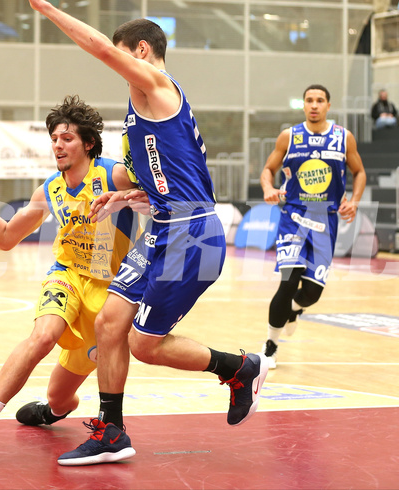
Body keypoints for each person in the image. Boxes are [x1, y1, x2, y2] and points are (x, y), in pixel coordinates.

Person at [29, 0, 269, 467]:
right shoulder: (145, 106)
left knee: (144, 344)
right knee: (109, 323)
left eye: (123, 57)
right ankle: (112, 432)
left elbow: (98, 48)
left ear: (141, 50)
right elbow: (170, 182)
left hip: (192, 235)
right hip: (164, 227)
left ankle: (240, 369)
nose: (119, 68)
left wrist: (46, 8)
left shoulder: (156, 85)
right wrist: (125, 197)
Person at [0, 95, 147, 471]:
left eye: (67, 138)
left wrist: (128, 199)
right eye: (55, 138)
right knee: (43, 336)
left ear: (88, 143)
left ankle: (51, 411)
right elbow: (6, 237)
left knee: (60, 399)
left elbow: (160, 201)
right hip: (67, 275)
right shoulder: (49, 191)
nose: (58, 144)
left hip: (109, 293)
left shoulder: (114, 174)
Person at [260, 84, 366, 370]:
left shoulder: (343, 138)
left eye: (320, 100)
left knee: (312, 293)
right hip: (293, 218)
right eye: (309, 100)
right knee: (288, 281)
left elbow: (359, 172)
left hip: (326, 221)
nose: (314, 105)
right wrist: (269, 188)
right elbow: (268, 169)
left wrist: (354, 201)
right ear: (304, 105)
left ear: (328, 106)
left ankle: (295, 309)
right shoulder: (289, 136)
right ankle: (270, 345)